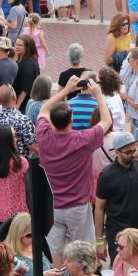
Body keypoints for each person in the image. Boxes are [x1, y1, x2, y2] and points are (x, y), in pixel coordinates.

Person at [36, 75, 112, 265]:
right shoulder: (82, 140)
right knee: (83, 251)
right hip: (77, 206)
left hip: (52, 206)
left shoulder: (44, 136)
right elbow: (106, 121)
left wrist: (65, 91)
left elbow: (44, 109)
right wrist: (98, 94)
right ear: (71, 120)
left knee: (53, 252)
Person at [96, 132, 138, 264]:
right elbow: (99, 208)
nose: (133, 154)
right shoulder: (106, 175)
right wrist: (99, 240)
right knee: (120, 267)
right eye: (128, 152)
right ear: (117, 152)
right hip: (117, 231)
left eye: (134, 150)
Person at [0, 125, 29, 231]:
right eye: (14, 136)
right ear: (8, 141)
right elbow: (28, 183)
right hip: (18, 212)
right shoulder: (21, 162)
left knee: (1, 243)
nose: (17, 139)